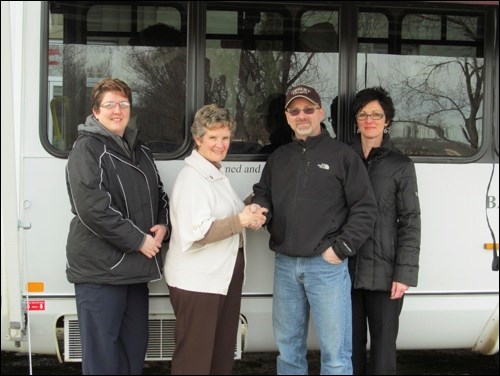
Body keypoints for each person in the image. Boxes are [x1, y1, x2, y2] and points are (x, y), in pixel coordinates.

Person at [252, 85, 378, 375]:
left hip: (327, 267)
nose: (302, 115)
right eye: (294, 111)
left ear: (320, 112)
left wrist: (340, 249)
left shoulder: (343, 156)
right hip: (285, 265)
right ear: (287, 117)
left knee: (335, 355)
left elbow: (365, 208)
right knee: (288, 351)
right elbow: (263, 193)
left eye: (309, 109)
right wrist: (261, 209)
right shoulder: (278, 158)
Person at [65, 78, 170, 375]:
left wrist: (163, 225)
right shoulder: (86, 149)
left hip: (135, 271)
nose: (117, 110)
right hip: (101, 272)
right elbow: (92, 208)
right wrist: (138, 241)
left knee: (133, 351)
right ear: (95, 112)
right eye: (109, 105)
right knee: (102, 358)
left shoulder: (140, 149)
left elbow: (159, 193)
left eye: (123, 104)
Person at [164, 104, 268, 375]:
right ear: (198, 139)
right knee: (194, 363)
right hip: (199, 284)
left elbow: (229, 214)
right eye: (213, 137)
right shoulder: (192, 179)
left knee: (220, 358)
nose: (220, 144)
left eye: (225, 137)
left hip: (220, 280)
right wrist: (241, 221)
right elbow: (195, 234)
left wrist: (251, 207)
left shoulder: (214, 173)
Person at [350, 86, 421, 375]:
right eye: (364, 114)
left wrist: (404, 275)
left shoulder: (400, 165)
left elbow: (411, 221)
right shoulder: (343, 158)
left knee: (382, 354)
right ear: (356, 119)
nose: (370, 120)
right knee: (348, 349)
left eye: (376, 114)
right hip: (346, 272)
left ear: (387, 120)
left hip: (386, 276)